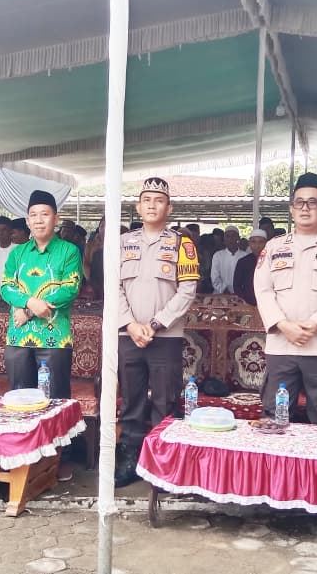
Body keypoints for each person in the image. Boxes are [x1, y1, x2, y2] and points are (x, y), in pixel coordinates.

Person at [114, 178, 199, 486]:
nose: (152, 205)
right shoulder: (122, 242)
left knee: (165, 401)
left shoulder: (182, 244)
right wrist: (129, 324)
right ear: (138, 206)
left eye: (159, 200)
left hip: (165, 337)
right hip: (128, 335)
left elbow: (187, 290)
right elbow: (113, 287)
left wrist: (154, 324)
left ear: (169, 208)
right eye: (146, 200)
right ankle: (131, 459)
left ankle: (162, 464)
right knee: (131, 400)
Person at [255, 173, 317, 424]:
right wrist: (283, 325)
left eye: (313, 202)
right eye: (299, 202)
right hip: (281, 346)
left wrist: (314, 325)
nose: (305, 208)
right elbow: (262, 290)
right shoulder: (274, 247)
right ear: (291, 209)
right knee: (276, 420)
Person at [0, 190, 81, 398]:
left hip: (55, 338)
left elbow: (69, 288)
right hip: (18, 337)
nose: (38, 220)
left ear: (56, 219)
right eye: (33, 215)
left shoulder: (69, 251)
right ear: (27, 221)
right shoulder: (17, 253)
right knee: (20, 400)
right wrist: (29, 302)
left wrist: (28, 311)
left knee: (54, 400)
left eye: (45, 214)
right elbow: (6, 287)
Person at [232, 229, 267, 306]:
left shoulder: (272, 261)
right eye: (253, 242)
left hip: (268, 304)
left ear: (266, 244)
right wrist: (245, 302)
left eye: (261, 242)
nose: (257, 246)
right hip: (247, 304)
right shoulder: (243, 262)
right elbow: (237, 286)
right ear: (249, 243)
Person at [211, 225, 247, 294]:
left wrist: (239, 291)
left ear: (238, 238)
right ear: (224, 239)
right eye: (228, 236)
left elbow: (247, 278)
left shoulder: (245, 256)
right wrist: (223, 289)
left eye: (233, 236)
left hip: (241, 295)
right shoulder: (218, 255)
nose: (231, 239)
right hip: (221, 294)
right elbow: (215, 277)